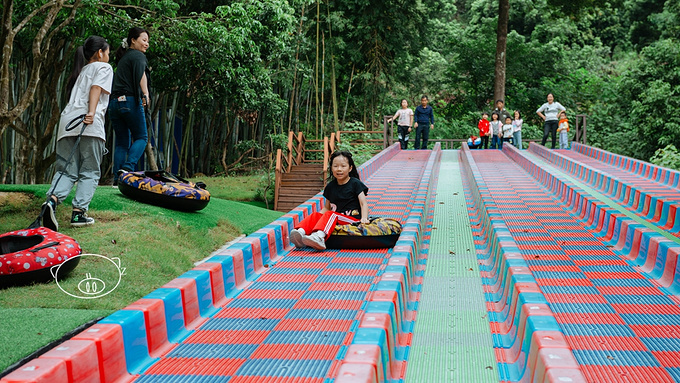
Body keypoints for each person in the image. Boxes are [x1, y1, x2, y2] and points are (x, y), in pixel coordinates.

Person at [41, 36, 113, 230]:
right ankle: (79, 214)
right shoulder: (104, 67)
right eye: (108, 52)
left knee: (66, 169)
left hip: (66, 123)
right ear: (100, 53)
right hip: (88, 122)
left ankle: (52, 201)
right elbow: (96, 88)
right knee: (89, 170)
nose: (109, 56)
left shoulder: (81, 71)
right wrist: (91, 112)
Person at [289, 151, 369, 250]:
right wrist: (317, 219)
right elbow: (327, 208)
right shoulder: (330, 187)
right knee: (316, 215)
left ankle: (319, 237)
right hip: (334, 219)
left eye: (343, 166)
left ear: (350, 168)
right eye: (335, 166)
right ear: (331, 168)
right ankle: (300, 233)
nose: (339, 169)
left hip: (352, 220)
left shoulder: (355, 184)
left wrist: (364, 218)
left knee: (331, 214)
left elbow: (363, 203)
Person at [110, 27, 150, 184]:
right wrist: (145, 94)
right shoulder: (138, 56)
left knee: (121, 143)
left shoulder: (124, 58)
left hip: (114, 103)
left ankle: (116, 179)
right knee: (141, 137)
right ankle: (127, 169)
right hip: (129, 100)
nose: (146, 44)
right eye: (144, 40)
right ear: (133, 40)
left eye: (148, 41)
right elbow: (141, 74)